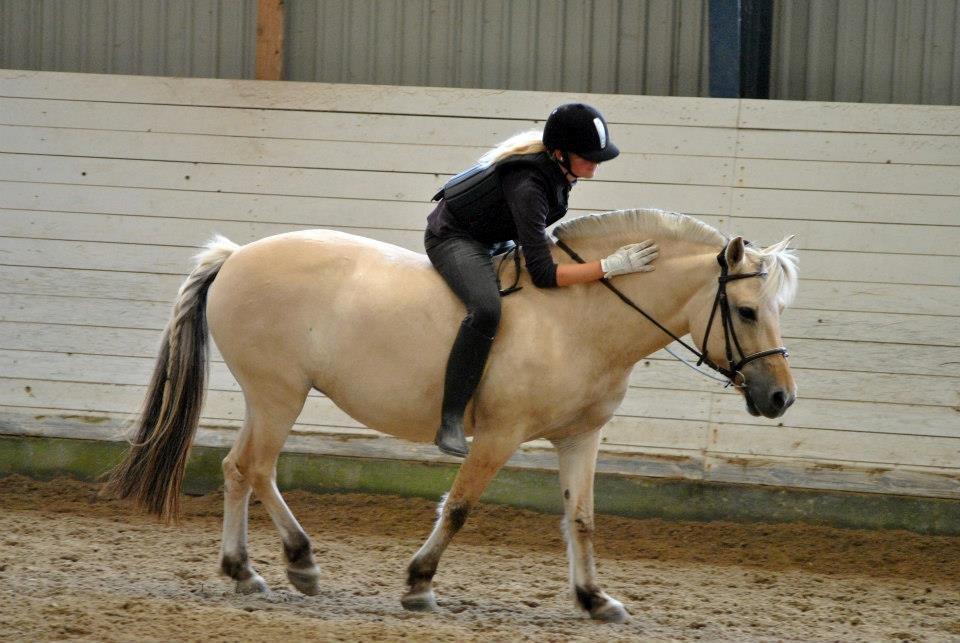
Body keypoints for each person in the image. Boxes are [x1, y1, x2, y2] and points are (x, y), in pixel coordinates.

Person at [425, 103, 659, 457]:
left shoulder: (559, 171)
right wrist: (608, 267)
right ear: (560, 153)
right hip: (455, 237)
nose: (594, 166)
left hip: (496, 235)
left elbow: (531, 232)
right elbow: (545, 275)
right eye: (587, 157)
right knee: (487, 310)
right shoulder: (528, 185)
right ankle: (451, 420)